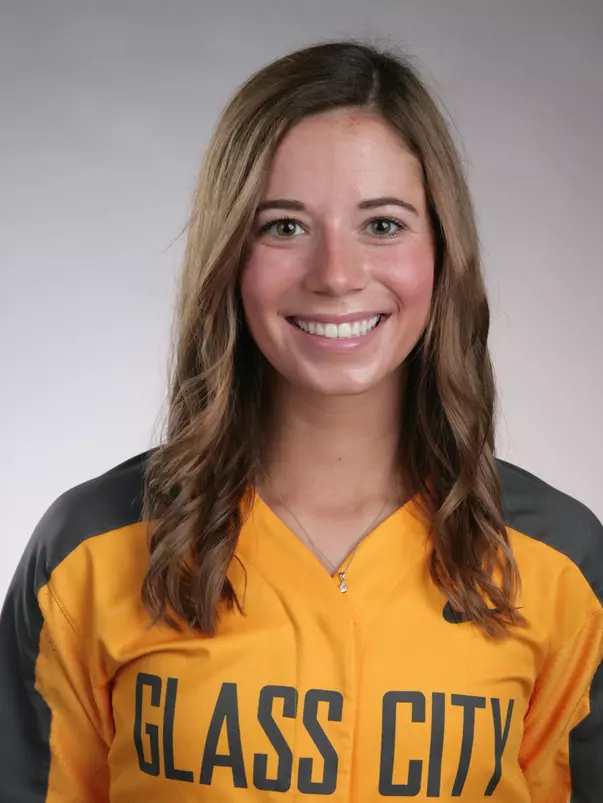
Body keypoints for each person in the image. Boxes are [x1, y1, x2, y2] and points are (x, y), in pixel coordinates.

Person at [0, 38, 601, 803]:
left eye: (382, 224)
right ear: (229, 253)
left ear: (441, 250)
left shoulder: (559, 563)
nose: (336, 275)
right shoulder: (90, 550)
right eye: (283, 226)